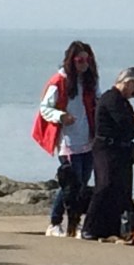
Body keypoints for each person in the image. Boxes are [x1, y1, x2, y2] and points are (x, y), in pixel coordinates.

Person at [81, 67, 134, 240]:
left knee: (121, 191)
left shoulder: (122, 102)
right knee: (105, 186)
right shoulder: (111, 98)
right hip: (106, 149)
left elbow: (130, 123)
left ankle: (112, 229)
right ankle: (89, 227)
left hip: (120, 150)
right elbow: (127, 127)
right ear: (128, 82)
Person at [33, 41, 100, 237]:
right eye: (80, 60)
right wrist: (61, 116)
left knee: (82, 183)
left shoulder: (90, 81)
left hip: (87, 140)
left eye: (87, 60)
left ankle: (74, 223)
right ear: (71, 61)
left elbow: (98, 100)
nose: (84, 64)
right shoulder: (59, 82)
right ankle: (55, 222)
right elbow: (45, 108)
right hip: (68, 142)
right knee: (70, 185)